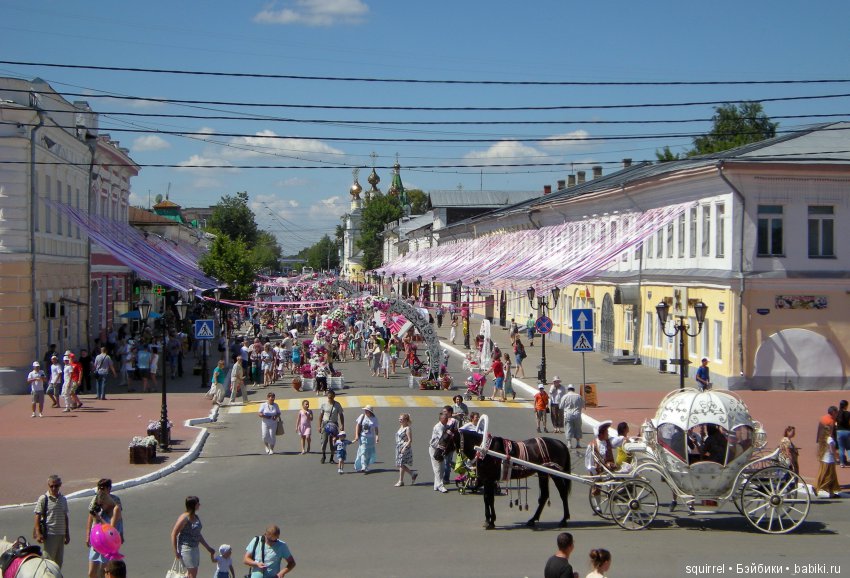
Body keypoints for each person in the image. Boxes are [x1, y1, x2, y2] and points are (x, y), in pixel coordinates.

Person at [85, 478, 123, 578]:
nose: (100, 490)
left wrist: (122, 533)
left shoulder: (116, 502)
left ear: (109, 489)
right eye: (99, 488)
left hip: (108, 542)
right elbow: (90, 517)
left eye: (102, 488)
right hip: (97, 540)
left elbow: (113, 528)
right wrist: (88, 535)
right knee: (91, 573)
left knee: (105, 571)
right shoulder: (96, 499)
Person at [171, 496, 215, 578]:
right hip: (187, 548)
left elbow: (198, 534)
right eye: (198, 503)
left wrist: (208, 548)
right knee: (192, 574)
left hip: (195, 548)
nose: (199, 504)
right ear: (193, 505)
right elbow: (174, 534)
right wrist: (176, 551)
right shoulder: (184, 518)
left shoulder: (196, 516)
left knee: (191, 573)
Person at [33, 474, 69, 568]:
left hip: (61, 534)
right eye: (51, 486)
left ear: (60, 485)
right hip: (49, 535)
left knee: (58, 563)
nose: (54, 488)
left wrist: (67, 534)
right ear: (48, 485)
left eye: (56, 486)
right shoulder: (43, 499)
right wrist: (38, 533)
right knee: (48, 563)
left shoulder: (63, 499)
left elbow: (65, 517)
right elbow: (37, 515)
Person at [814, 423, 840, 498]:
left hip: (824, 459)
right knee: (830, 477)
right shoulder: (830, 439)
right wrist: (837, 457)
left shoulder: (823, 438)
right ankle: (818, 488)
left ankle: (831, 493)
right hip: (829, 460)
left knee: (823, 474)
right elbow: (832, 450)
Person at [429, 408, 451, 493]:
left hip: (440, 449)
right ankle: (441, 485)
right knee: (437, 468)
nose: (446, 420)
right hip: (435, 449)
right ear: (441, 419)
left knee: (441, 468)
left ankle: (436, 485)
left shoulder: (445, 426)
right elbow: (443, 436)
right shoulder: (438, 427)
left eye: (447, 419)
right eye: (445, 419)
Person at [319, 389, 345, 464]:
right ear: (327, 396)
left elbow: (341, 415)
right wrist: (319, 426)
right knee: (324, 441)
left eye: (331, 396)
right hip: (325, 424)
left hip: (334, 425)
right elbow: (320, 416)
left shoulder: (337, 405)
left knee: (333, 442)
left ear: (334, 396)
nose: (330, 398)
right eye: (329, 396)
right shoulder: (324, 404)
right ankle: (323, 456)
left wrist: (342, 425)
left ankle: (331, 458)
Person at [354, 405, 380, 473]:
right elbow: (357, 425)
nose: (365, 411)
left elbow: (376, 428)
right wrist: (356, 435)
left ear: (370, 412)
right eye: (365, 410)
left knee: (369, 453)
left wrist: (377, 436)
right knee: (363, 451)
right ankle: (363, 466)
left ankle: (367, 465)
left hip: (371, 438)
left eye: (367, 411)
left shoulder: (374, 418)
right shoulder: (362, 416)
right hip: (363, 437)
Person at [395, 413, 418, 486]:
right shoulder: (401, 427)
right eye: (399, 419)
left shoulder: (407, 428)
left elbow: (410, 440)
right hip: (399, 447)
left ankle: (401, 481)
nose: (400, 420)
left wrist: (404, 448)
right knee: (400, 464)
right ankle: (412, 474)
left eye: (401, 419)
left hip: (405, 448)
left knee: (401, 464)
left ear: (406, 420)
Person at [560, 384, 585, 449]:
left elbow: (561, 406)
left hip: (568, 414)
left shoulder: (565, 396)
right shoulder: (578, 396)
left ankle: (569, 443)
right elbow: (583, 405)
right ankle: (578, 443)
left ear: (568, 389)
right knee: (578, 428)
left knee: (568, 428)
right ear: (574, 389)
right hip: (577, 414)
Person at [836, 400, 850, 468]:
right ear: (846, 406)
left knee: (841, 448)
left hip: (839, 432)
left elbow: (835, 423)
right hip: (847, 432)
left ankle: (842, 463)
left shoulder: (838, 413)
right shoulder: (848, 413)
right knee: (848, 447)